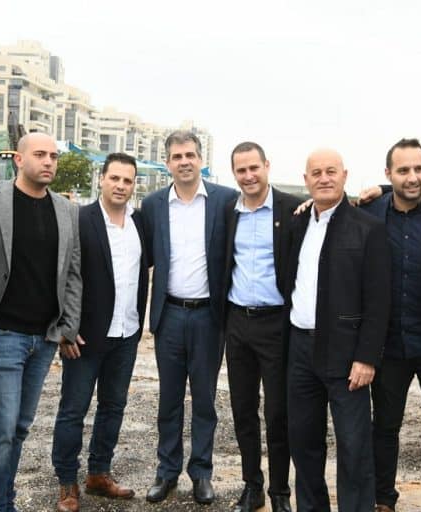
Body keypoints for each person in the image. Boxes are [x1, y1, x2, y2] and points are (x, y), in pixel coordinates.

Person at [0, 132, 82, 512]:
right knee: (2, 428)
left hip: (44, 338)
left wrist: (68, 326)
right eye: (40, 154)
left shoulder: (67, 210)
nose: (49, 161)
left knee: (19, 427)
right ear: (18, 160)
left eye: (53, 156)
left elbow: (73, 272)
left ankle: (3, 500)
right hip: (1, 333)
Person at [284, 148, 390, 512]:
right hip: (300, 349)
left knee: (353, 445)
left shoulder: (368, 228)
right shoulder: (297, 223)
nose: (324, 178)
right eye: (316, 173)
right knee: (304, 442)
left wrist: (367, 357)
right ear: (306, 180)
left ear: (345, 176)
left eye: (331, 171)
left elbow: (378, 300)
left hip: (346, 355)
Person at [359, 139, 421, 512]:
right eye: (403, 171)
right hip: (388, 343)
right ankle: (383, 500)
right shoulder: (370, 212)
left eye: (419, 169)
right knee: (385, 427)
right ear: (389, 174)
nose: (412, 177)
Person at [142, 130, 238, 505]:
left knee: (204, 401)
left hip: (208, 318)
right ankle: (166, 472)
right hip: (169, 315)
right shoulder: (152, 205)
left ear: (201, 160)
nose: (184, 161)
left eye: (190, 155)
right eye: (177, 156)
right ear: (167, 162)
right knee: (168, 400)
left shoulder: (225, 200)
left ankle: (201, 473)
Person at [51, 153, 149, 512]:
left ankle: (98, 474)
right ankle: (67, 483)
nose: (121, 185)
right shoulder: (81, 219)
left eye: (127, 180)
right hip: (85, 337)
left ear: (134, 185)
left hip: (127, 332)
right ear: (102, 179)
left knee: (113, 407)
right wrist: (65, 327)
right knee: (73, 410)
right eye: (115, 178)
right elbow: (61, 274)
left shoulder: (140, 223)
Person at [222, 142, 299, 512]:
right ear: (234, 173)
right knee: (243, 410)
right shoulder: (228, 211)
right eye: (241, 170)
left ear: (267, 165)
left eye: (254, 167)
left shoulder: (292, 209)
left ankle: (280, 492)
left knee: (278, 413)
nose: (249, 176)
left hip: (276, 324)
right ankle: (252, 486)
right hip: (238, 322)